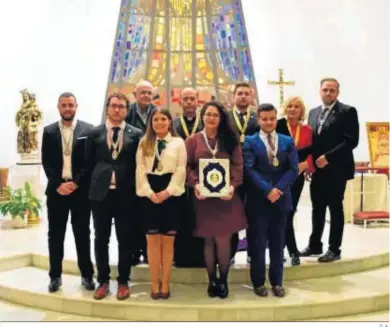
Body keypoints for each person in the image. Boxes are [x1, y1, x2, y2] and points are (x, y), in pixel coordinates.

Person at [185, 101, 247, 299]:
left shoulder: (230, 140)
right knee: (208, 241)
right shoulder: (193, 140)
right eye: (207, 114)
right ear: (202, 116)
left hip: (226, 197)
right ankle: (211, 280)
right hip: (203, 198)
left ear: (221, 119)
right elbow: (186, 167)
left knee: (223, 240)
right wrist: (195, 185)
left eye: (215, 115)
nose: (211, 118)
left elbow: (238, 165)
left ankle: (224, 279)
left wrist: (232, 186)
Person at [86, 92, 143, 300]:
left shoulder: (136, 134)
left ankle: (123, 281)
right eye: (114, 106)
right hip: (100, 194)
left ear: (127, 110)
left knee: (125, 239)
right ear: (107, 108)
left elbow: (139, 165)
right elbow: (87, 163)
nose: (117, 109)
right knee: (101, 238)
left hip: (125, 194)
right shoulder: (95, 133)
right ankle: (102, 280)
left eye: (121, 106)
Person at [300, 78, 359, 262]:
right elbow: (311, 142)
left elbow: (351, 141)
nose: (328, 93)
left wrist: (328, 157)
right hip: (317, 170)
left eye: (332, 90)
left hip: (336, 168)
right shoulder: (313, 112)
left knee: (335, 208)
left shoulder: (347, 111)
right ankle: (315, 244)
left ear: (337, 93)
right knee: (317, 208)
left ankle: (334, 248)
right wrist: (310, 164)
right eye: (325, 90)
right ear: (320, 91)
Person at [243, 103, 298, 298]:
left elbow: (293, 169)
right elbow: (249, 169)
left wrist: (279, 189)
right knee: (257, 242)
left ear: (276, 119)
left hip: (281, 199)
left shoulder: (287, 141)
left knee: (278, 241)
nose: (268, 122)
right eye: (264, 119)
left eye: (272, 119)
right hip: (259, 199)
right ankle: (258, 282)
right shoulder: (250, 141)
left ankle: (277, 281)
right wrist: (268, 190)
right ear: (258, 120)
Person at [41, 92, 94, 293]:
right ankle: (55, 276)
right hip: (56, 192)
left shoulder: (87, 130)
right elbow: (47, 162)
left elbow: (89, 162)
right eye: (64, 105)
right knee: (55, 235)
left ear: (76, 106)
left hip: (79, 192)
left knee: (82, 234)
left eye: (71, 105)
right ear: (58, 107)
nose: (67, 109)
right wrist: (58, 185)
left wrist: (76, 183)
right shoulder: (49, 131)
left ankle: (87, 275)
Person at [136, 108, 187, 299]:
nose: (159, 122)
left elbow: (181, 169)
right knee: (152, 241)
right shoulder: (144, 142)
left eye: (163, 119)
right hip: (149, 192)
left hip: (170, 192)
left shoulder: (178, 143)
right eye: (155, 119)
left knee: (167, 241)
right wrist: (149, 193)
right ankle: (154, 283)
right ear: (151, 123)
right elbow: (140, 170)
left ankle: (165, 282)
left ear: (169, 122)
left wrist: (168, 192)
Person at [276, 96, 313, 266]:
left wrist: (307, 164)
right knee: (282, 212)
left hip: (297, 177)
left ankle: (286, 249)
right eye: (289, 106)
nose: (292, 109)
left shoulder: (307, 130)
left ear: (301, 110)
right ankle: (292, 251)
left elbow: (313, 151)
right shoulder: (277, 126)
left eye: (296, 106)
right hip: (280, 176)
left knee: (289, 211)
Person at [125, 80, 157, 265]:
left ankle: (148, 251)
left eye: (148, 93)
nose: (145, 95)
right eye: (142, 92)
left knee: (148, 213)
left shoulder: (158, 113)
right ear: (135, 94)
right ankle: (133, 251)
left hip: (152, 172)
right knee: (131, 214)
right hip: (130, 171)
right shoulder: (126, 113)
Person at [172, 88, 204, 267]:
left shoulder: (205, 123)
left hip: (200, 175)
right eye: (186, 99)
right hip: (178, 176)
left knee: (200, 216)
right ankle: (182, 257)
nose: (190, 102)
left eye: (193, 98)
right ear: (180, 102)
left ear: (198, 101)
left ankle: (201, 257)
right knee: (182, 216)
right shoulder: (174, 123)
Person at [228, 82, 259, 261]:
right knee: (232, 211)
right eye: (239, 93)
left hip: (252, 171)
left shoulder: (257, 118)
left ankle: (251, 252)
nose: (243, 96)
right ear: (233, 96)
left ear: (251, 97)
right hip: (231, 172)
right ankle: (230, 253)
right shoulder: (225, 117)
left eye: (246, 93)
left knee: (253, 212)